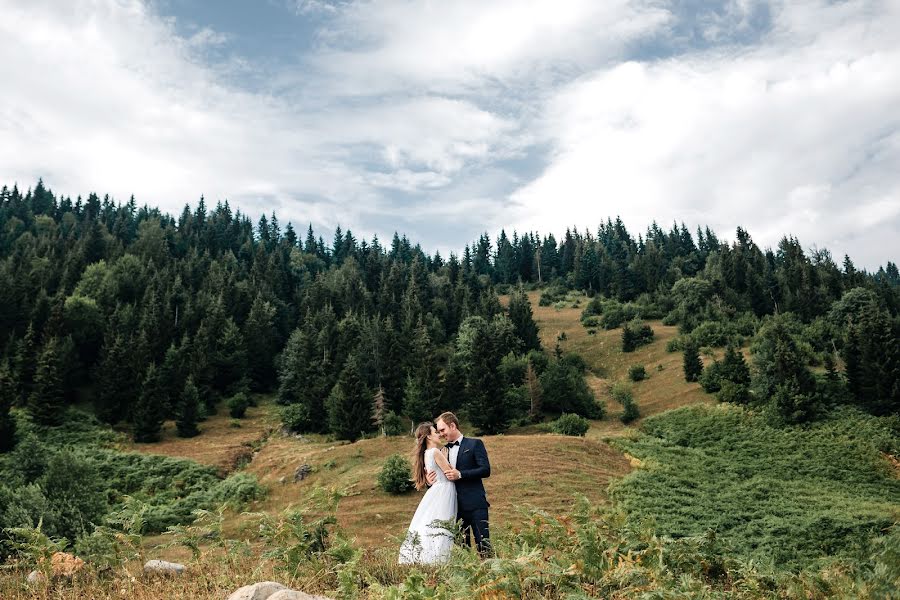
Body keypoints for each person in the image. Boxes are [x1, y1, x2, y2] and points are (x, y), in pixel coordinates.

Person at [429, 411, 492, 556]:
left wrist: (461, 474)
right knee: (462, 552)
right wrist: (429, 481)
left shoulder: (475, 444)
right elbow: (439, 479)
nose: (441, 434)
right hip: (453, 508)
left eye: (443, 430)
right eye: (438, 432)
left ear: (452, 425)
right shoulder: (441, 452)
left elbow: (485, 470)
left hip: (476, 505)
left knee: (484, 546)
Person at [398, 422, 457, 564]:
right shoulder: (436, 452)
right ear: (429, 437)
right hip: (444, 490)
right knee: (443, 526)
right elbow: (449, 472)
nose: (439, 434)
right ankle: (438, 558)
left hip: (436, 491)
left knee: (432, 523)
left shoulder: (425, 454)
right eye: (435, 432)